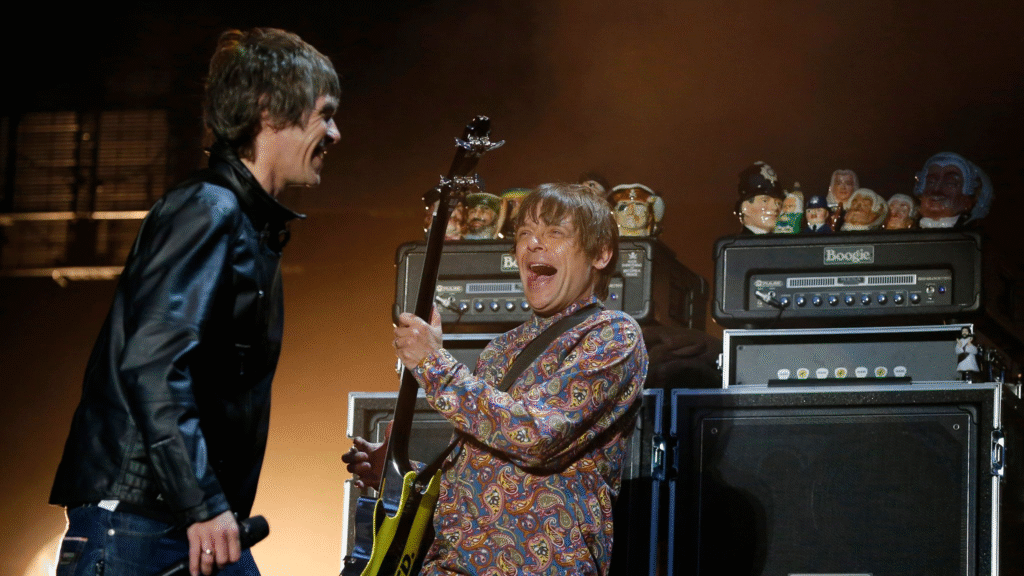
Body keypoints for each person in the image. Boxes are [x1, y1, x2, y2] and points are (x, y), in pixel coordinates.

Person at [49, 28, 340, 576]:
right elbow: (155, 364)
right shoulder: (209, 208)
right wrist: (202, 504)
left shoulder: (244, 221)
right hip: (145, 524)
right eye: (324, 114)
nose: (335, 132)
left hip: (178, 520)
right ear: (268, 111)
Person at [345, 183, 648, 575]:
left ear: (601, 253)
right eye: (525, 234)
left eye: (554, 233)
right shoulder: (501, 349)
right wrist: (402, 474)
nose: (533, 244)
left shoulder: (612, 335)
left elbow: (537, 436)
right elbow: (485, 469)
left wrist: (433, 364)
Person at [913, 151, 993, 228]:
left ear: (967, 200)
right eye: (930, 182)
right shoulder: (909, 230)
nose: (936, 191)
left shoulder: (968, 235)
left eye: (950, 184)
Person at [735, 161, 783, 234]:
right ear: (745, 207)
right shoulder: (738, 244)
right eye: (765, 201)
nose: (775, 207)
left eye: (778, 203)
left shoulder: (780, 241)